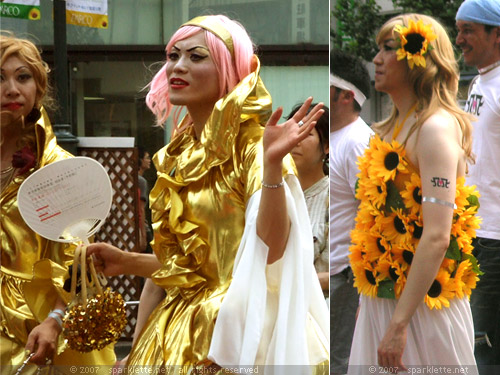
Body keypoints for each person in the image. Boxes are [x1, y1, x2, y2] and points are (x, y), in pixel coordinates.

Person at [86, 15, 329, 372]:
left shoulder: (255, 144)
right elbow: (184, 270)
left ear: (229, 68)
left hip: (242, 334)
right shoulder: (177, 153)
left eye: (197, 57)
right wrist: (127, 264)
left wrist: (273, 165)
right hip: (174, 333)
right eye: (173, 55)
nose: (177, 67)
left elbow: (273, 251)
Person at [347, 14, 482, 374]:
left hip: (425, 305)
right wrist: (373, 298)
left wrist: (399, 324)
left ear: (418, 58)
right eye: (378, 49)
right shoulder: (392, 127)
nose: (376, 59)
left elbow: (437, 235)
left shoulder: (435, 129)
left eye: (389, 49)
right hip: (388, 297)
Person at [0, 35, 115, 374]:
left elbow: (77, 261)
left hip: (36, 332)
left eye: (23, 77)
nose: (12, 89)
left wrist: (54, 320)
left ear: (38, 87)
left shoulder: (57, 170)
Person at [456, 1, 500, 373]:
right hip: (474, 229)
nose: (459, 39)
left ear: (497, 34)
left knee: (482, 343)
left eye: (468, 30)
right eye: (458, 30)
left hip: (496, 236)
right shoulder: (478, 81)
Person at [329, 49, 373, 375]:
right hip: (325, 271)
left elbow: (372, 214)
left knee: (339, 362)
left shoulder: (358, 142)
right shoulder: (328, 137)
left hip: (345, 275)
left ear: (346, 96)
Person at [287, 103, 329, 298]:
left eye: (306, 134)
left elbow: (336, 275)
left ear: (327, 146)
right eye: (293, 132)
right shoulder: (272, 191)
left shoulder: (333, 197)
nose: (296, 140)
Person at [137, 146, 153, 252]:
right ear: (140, 160)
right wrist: (143, 235)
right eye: (147, 157)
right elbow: (141, 209)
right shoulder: (141, 181)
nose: (149, 160)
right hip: (141, 228)